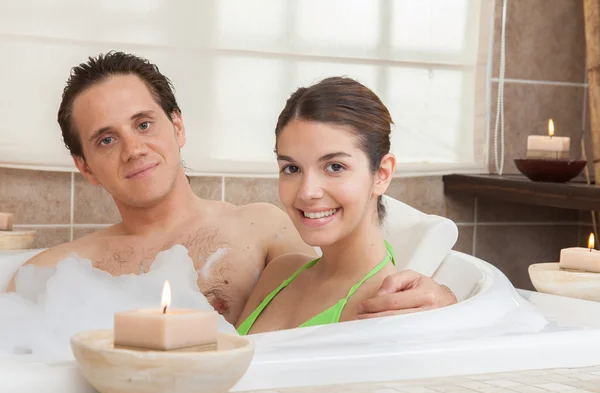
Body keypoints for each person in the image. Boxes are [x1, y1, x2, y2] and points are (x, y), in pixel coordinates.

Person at [6, 52, 456, 326]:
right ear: (83, 166)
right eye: (107, 139)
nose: (134, 149)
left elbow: (351, 271)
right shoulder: (57, 270)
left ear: (177, 126)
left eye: (144, 124)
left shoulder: (262, 230)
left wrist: (448, 302)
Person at [236, 77, 450, 334]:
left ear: (382, 174)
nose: (307, 192)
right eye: (292, 168)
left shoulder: (384, 310)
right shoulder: (279, 275)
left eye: (335, 167)